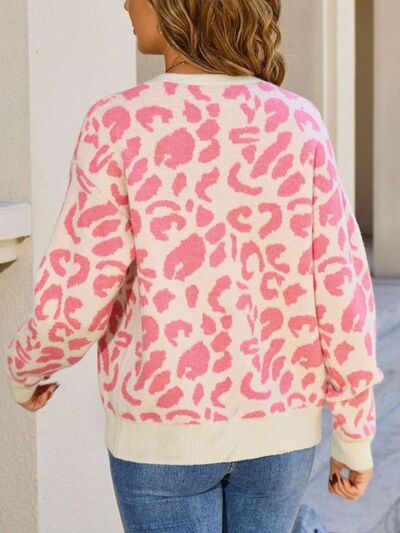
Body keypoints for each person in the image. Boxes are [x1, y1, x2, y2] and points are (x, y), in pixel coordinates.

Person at [4, 0, 385, 531]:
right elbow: (342, 289)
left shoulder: (118, 122)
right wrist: (354, 430)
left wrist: (27, 367)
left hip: (160, 433)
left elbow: (79, 286)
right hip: (282, 433)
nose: (124, 3)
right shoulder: (299, 122)